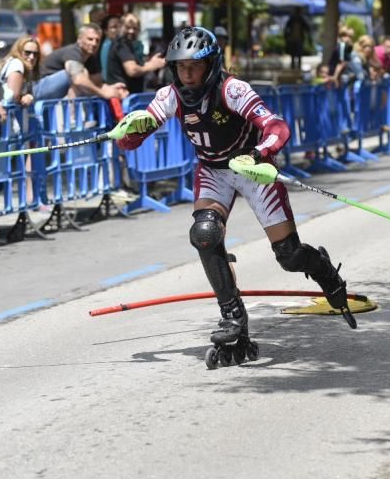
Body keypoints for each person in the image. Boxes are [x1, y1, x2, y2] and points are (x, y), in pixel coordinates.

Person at [109, 26, 356, 353]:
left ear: (211, 64)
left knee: (289, 256)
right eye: (181, 67)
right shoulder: (170, 95)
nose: (188, 74)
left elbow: (276, 127)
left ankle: (322, 269)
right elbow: (137, 135)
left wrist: (259, 154)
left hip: (250, 169)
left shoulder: (233, 89)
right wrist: (130, 131)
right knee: (205, 233)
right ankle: (233, 318)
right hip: (213, 171)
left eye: (194, 66)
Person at [34, 23, 127, 101]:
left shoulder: (91, 58)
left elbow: (98, 82)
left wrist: (114, 90)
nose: (94, 44)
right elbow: (78, 80)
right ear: (79, 40)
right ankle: (74, 118)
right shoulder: (73, 51)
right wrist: (103, 93)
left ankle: (78, 117)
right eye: (90, 39)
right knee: (79, 75)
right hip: (38, 89)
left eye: (97, 40)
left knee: (87, 78)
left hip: (59, 91)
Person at [106, 14, 164, 94]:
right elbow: (132, 70)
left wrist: (150, 62)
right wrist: (152, 65)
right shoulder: (121, 44)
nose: (131, 31)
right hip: (123, 98)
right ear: (120, 27)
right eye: (128, 27)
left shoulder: (127, 44)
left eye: (135, 28)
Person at [0, 35, 41, 107]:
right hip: (1, 113)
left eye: (35, 54)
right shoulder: (17, 64)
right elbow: (13, 97)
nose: (32, 57)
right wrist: (26, 97)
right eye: (27, 53)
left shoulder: (26, 69)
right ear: (19, 52)